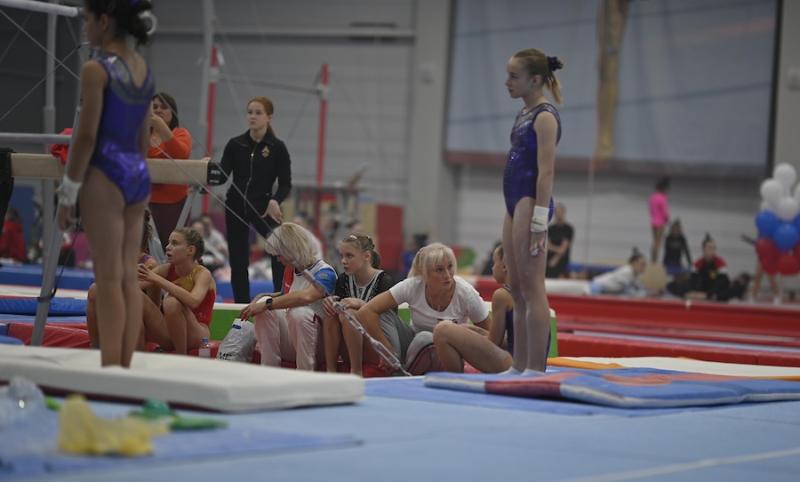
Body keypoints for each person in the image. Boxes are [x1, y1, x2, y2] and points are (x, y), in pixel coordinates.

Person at [55, 0, 154, 367]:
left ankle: (111, 366)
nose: (85, 28)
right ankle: (125, 364)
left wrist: (68, 191)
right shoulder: (143, 69)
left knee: (108, 278)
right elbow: (143, 139)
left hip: (105, 173)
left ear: (104, 21)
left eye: (87, 20)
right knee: (127, 276)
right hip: (137, 172)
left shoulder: (96, 70)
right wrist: (136, 172)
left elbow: (84, 137)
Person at [500, 48, 563, 374]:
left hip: (530, 202)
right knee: (516, 287)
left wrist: (540, 221)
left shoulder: (545, 117)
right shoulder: (523, 113)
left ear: (535, 79)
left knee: (533, 286)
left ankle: (536, 369)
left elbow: (546, 172)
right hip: (513, 203)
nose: (507, 82)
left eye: (514, 76)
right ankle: (518, 364)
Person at [356, 243, 490, 373]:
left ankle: (401, 371)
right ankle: (393, 361)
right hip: (414, 344)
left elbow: (489, 334)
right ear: (424, 273)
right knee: (382, 314)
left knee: (425, 338)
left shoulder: (466, 292)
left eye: (450, 267)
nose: (448, 275)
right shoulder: (412, 285)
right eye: (439, 270)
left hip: (449, 352)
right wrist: (385, 348)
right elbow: (366, 311)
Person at [221, 96, 292, 302]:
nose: (252, 116)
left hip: (263, 206)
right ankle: (241, 304)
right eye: (250, 112)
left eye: (258, 113)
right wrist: (207, 168)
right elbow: (222, 175)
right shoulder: (235, 144)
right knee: (238, 260)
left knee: (279, 250)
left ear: (269, 117)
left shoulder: (278, 148)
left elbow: (286, 184)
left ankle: (280, 299)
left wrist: (275, 200)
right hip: (235, 206)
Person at [239, 223, 336, 371]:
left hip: (319, 347)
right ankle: (268, 368)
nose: (278, 260)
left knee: (299, 313)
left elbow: (306, 296)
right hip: (295, 339)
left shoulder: (325, 272)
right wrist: (262, 298)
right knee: (265, 307)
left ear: (292, 250)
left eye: (279, 255)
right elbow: (286, 296)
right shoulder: (290, 270)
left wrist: (267, 303)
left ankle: (305, 373)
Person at [321, 233, 403, 376]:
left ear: (366, 256)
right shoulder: (343, 280)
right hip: (352, 346)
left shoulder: (385, 280)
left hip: (380, 347)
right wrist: (330, 302)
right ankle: (331, 370)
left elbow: (388, 321)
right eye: (342, 256)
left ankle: (356, 371)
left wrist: (361, 304)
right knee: (331, 314)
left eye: (349, 256)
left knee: (349, 314)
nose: (343, 261)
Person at [433, 245, 514, 373]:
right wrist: (473, 331)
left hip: (512, 365)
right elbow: (510, 341)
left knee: (442, 330)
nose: (492, 268)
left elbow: (494, 343)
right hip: (533, 363)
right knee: (463, 328)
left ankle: (456, 378)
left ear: (504, 266)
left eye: (494, 263)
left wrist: (463, 340)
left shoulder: (502, 295)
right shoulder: (531, 293)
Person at [137, 227, 217, 354]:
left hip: (199, 335)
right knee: (135, 296)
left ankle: (181, 356)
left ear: (190, 250)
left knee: (171, 302)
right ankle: (136, 356)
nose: (168, 247)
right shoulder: (165, 269)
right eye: (169, 243)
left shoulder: (203, 273)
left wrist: (156, 279)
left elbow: (194, 301)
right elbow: (131, 287)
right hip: (171, 332)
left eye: (174, 243)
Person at [87, 210, 160, 349]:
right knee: (94, 290)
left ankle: (136, 352)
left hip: (145, 317)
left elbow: (148, 299)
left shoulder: (149, 264)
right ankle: (95, 346)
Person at [148, 92, 193, 248]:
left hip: (175, 203)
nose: (158, 110)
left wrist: (161, 127)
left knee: (175, 247)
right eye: (155, 107)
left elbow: (180, 154)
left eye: (164, 107)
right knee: (146, 248)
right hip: (145, 201)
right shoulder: (141, 136)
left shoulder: (180, 133)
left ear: (172, 112)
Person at [687, 234, 729, 301]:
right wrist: (694, 292)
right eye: (709, 248)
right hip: (701, 292)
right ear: (704, 249)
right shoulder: (697, 264)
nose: (712, 251)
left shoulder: (721, 263)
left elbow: (722, 282)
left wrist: (708, 294)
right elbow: (693, 281)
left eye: (714, 248)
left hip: (715, 293)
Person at [546, 203, 573, 278]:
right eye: (556, 212)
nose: (558, 214)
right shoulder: (551, 228)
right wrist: (555, 249)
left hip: (561, 261)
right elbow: (547, 246)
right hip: (549, 259)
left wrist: (555, 259)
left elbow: (563, 249)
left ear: (564, 212)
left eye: (560, 212)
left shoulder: (568, 229)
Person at [649, 176, 670, 263]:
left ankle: (652, 259)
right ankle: (655, 261)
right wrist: (667, 220)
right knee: (658, 243)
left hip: (653, 222)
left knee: (654, 242)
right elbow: (665, 212)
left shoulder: (652, 197)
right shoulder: (663, 197)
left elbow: (651, 210)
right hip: (660, 223)